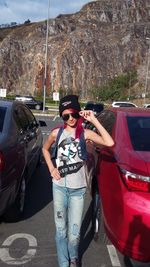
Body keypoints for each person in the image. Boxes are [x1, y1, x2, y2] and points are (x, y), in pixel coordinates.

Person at [42, 95, 114, 267]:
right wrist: (51, 168)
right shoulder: (55, 133)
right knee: (61, 232)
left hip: (78, 191)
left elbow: (109, 142)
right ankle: (64, 263)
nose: (71, 119)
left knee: (74, 234)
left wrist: (94, 119)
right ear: (62, 116)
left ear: (78, 114)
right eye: (66, 116)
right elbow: (45, 149)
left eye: (74, 114)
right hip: (59, 188)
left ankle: (73, 257)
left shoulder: (86, 133)